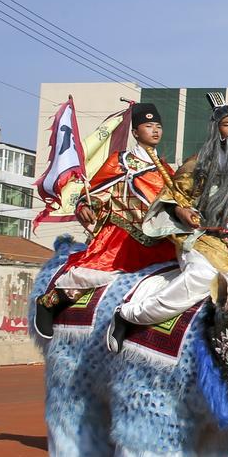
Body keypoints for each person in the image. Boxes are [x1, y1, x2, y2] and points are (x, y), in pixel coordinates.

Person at [110, 101, 228, 349]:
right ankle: (129, 315)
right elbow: (171, 196)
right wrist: (181, 209)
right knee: (204, 277)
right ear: (217, 130)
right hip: (200, 237)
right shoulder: (198, 164)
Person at [34, 102, 175, 338]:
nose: (155, 130)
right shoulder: (120, 162)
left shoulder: (166, 170)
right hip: (123, 236)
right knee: (94, 275)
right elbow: (97, 192)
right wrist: (87, 205)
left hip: (159, 238)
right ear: (135, 132)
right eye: (148, 125)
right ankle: (49, 303)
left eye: (158, 126)